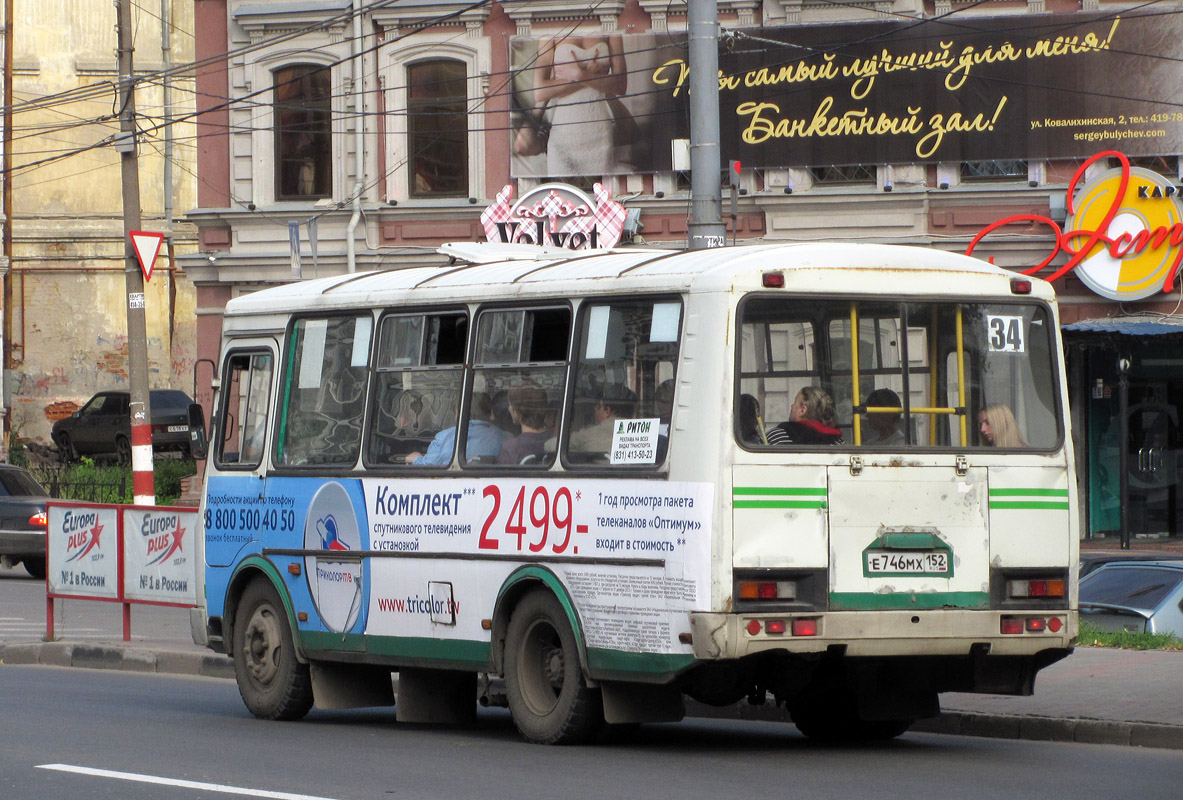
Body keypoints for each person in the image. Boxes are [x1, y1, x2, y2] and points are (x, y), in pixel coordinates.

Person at [516, 33, 633, 176]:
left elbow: (620, 85)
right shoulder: (548, 33)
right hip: (564, 134)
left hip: (599, 133)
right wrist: (590, 77)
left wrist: (582, 76)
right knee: (563, 194)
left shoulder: (611, 28)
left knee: (601, 192)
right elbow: (540, 91)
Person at [407, 393, 507, 466]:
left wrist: (417, 459)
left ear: (458, 413)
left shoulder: (444, 438)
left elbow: (429, 467)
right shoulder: (505, 437)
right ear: (490, 413)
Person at [496, 382, 554, 465]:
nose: (509, 408)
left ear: (516, 411)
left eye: (510, 404)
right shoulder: (557, 439)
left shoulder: (510, 449)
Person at [570, 383, 636, 454]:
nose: (595, 412)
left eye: (598, 407)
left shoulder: (588, 435)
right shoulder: (641, 436)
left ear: (607, 411)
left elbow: (560, 443)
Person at [771, 386, 844, 445]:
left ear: (802, 410)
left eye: (795, 402)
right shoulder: (837, 442)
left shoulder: (777, 437)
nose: (792, 406)